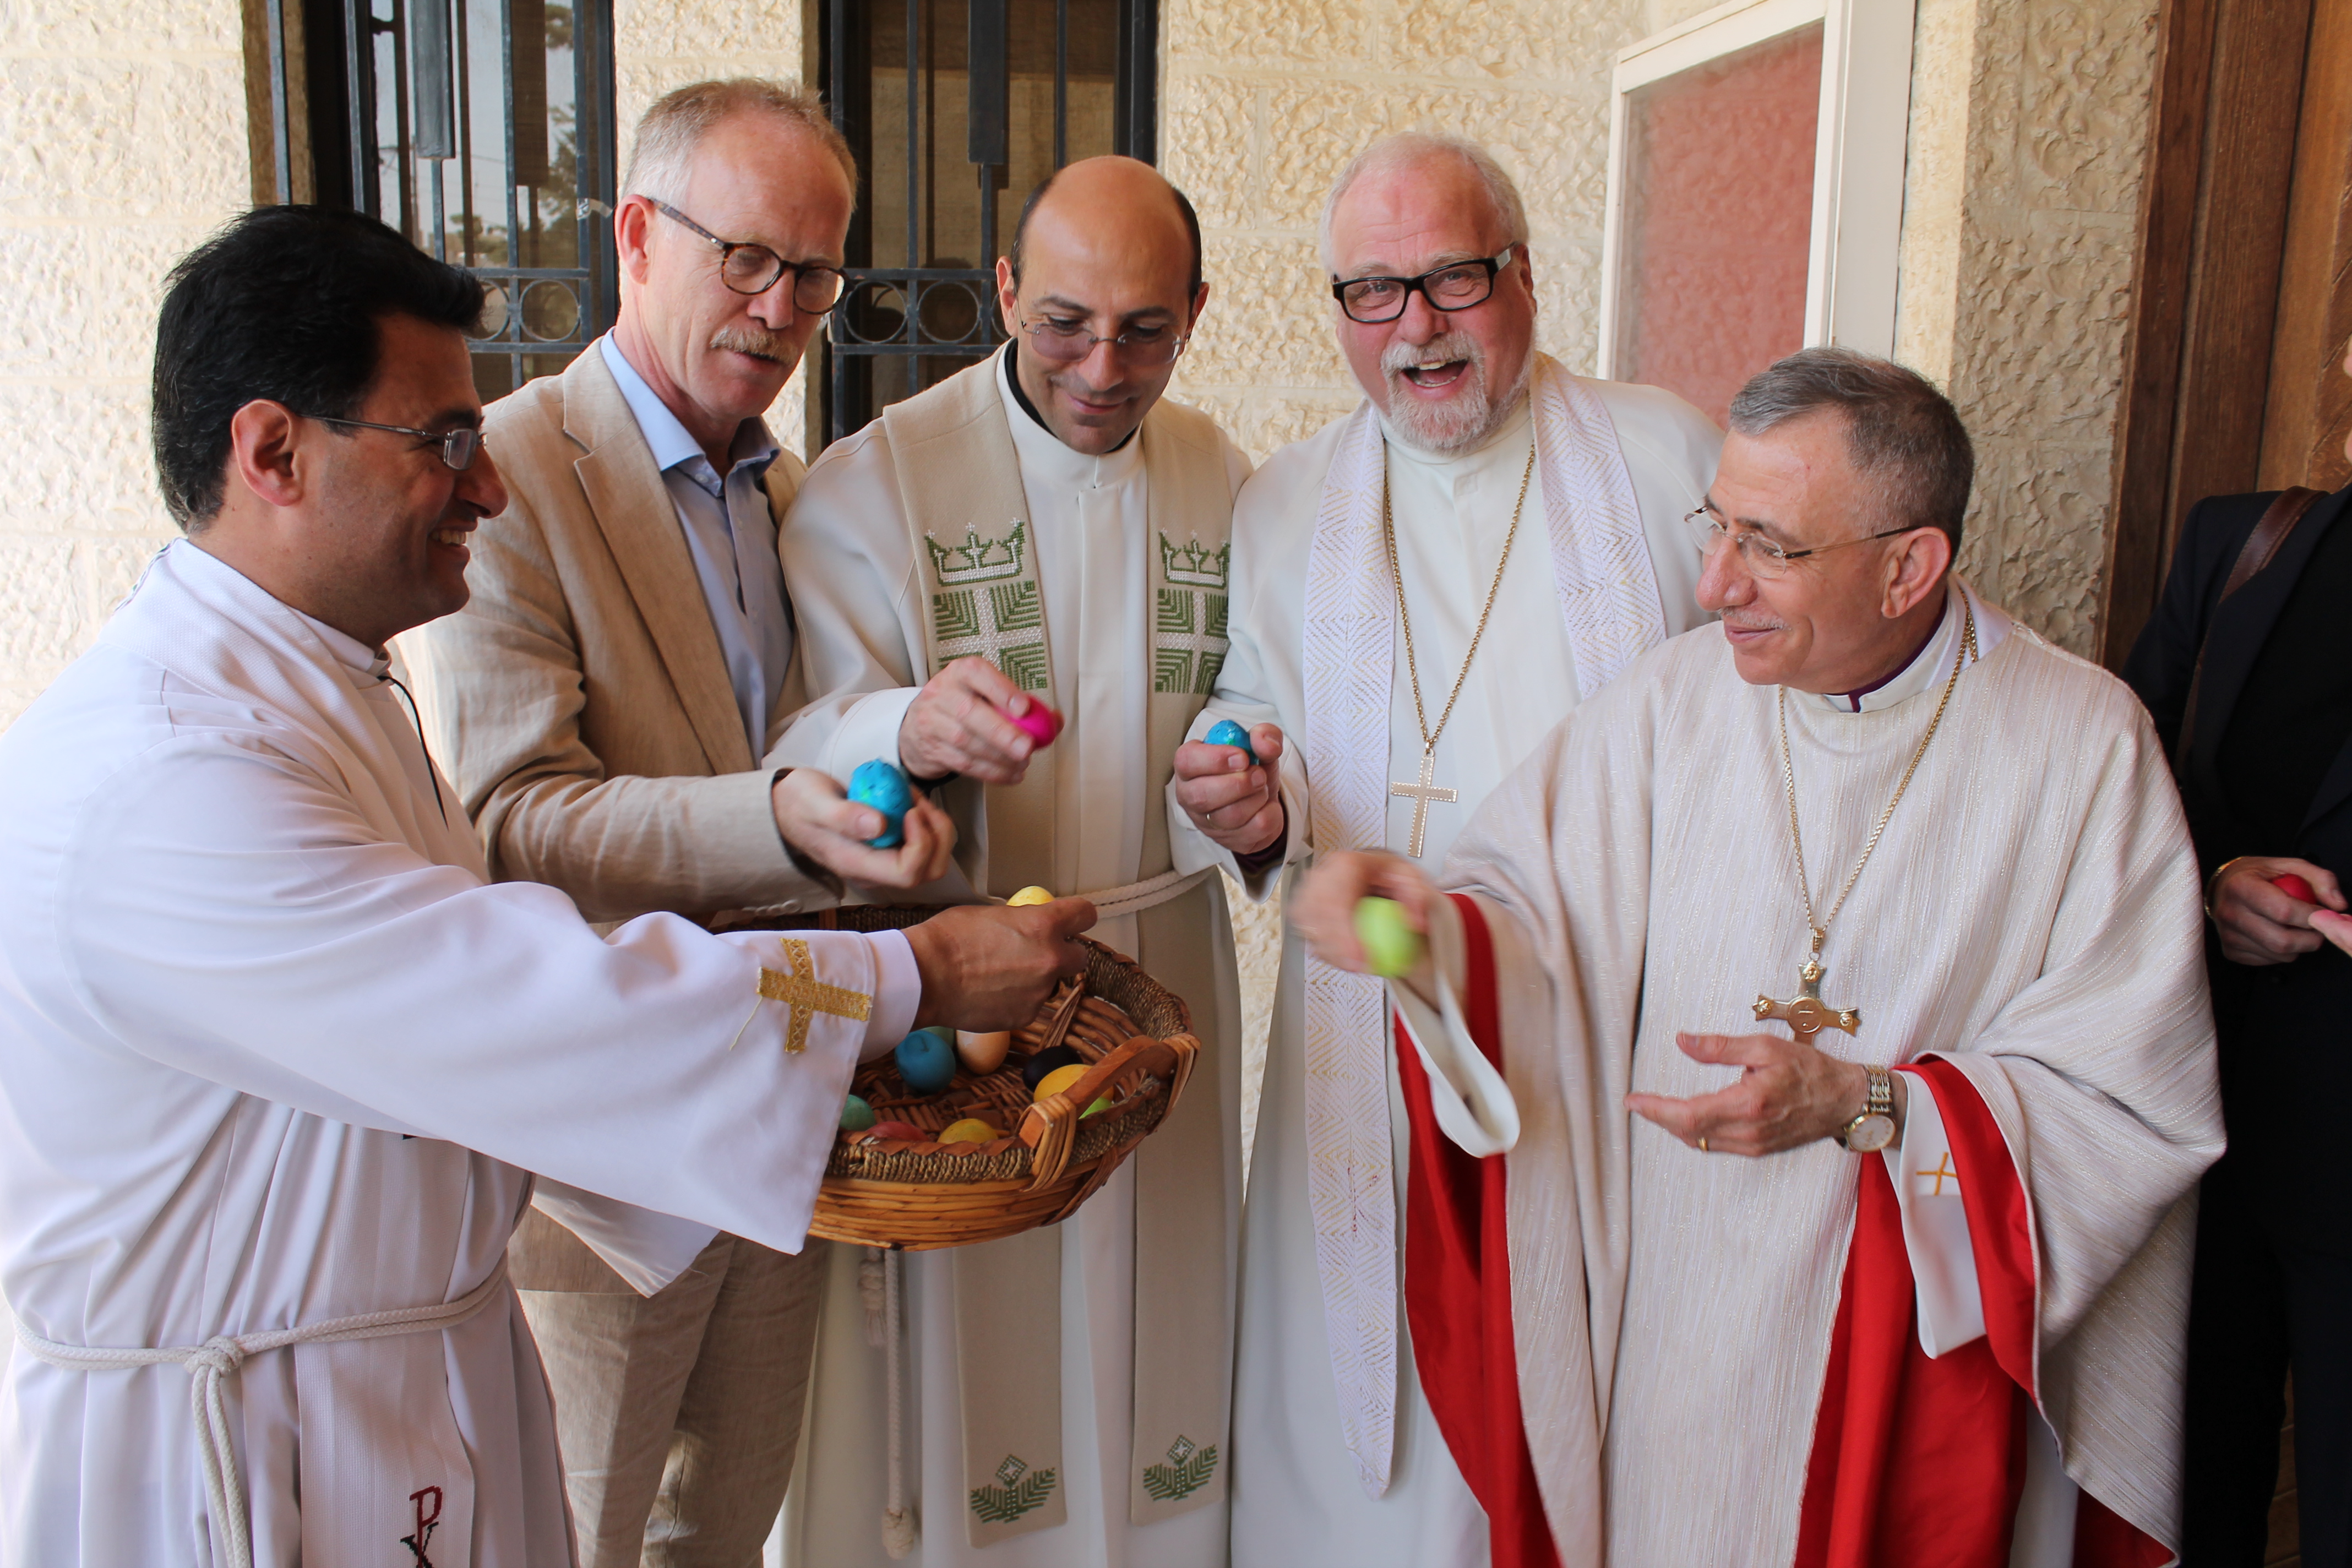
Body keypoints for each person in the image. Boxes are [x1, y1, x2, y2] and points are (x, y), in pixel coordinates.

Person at [0, 205, 1092, 1567]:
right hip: (239, 1453)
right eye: (447, 442)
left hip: (392, 1374)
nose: (489, 485)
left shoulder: (323, 680)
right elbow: (517, 996)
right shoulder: (166, 775)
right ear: (272, 450)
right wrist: (914, 972)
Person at [1294, 349, 2222, 1565]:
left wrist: (1872, 1102)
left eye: (1770, 546)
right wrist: (1428, 927)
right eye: (1715, 525)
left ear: (1910, 564)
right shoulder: (1674, 702)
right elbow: (1522, 909)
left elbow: (2132, 1096)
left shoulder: (2083, 745)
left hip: (1897, 1362)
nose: (1714, 580)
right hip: (1666, 1309)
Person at [1166, 132, 1718, 1564]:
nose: (1416, 327)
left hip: (1594, 1037)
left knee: (1577, 1398)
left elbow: (1755, 719)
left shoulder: (1666, 458)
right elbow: (1248, 718)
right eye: (1373, 292)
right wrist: (1242, 799)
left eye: (1454, 280)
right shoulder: (1286, 503)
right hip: (1366, 1029)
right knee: (1363, 1445)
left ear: (1524, 278)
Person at [400, 79, 926, 1567]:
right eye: (745, 257)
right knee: (573, 1537)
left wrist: (898, 816)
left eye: (814, 272)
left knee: (730, 1529)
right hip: (606, 1158)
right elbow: (518, 818)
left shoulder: (796, 494)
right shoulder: (509, 475)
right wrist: (790, 826)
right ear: (638, 235)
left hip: (784, 1105)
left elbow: (814, 752)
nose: (781, 308)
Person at [772, 155, 1248, 1566]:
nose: (1104, 365)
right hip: (964, 987)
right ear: (1001, 295)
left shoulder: (1228, 481)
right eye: (1063, 321)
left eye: (1147, 328)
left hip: (1161, 981)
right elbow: (801, 735)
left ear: (1198, 312)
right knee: (976, 1373)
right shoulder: (879, 484)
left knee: (1160, 1322)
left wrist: (1248, 772)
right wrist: (902, 737)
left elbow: (1268, 688)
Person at [2122, 339, 2352, 1567]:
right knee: (2183, 1497)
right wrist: (2212, 883)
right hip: (2195, 1120)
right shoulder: (2240, 544)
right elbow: (2119, 783)